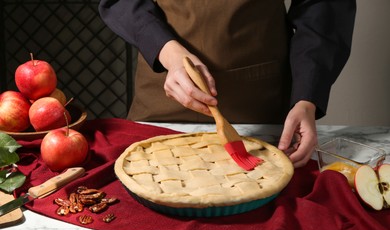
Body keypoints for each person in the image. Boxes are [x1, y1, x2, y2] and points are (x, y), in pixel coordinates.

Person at [98, 0, 356, 168]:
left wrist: (306, 98)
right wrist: (169, 53)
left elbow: (324, 6)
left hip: (260, 108)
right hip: (162, 97)